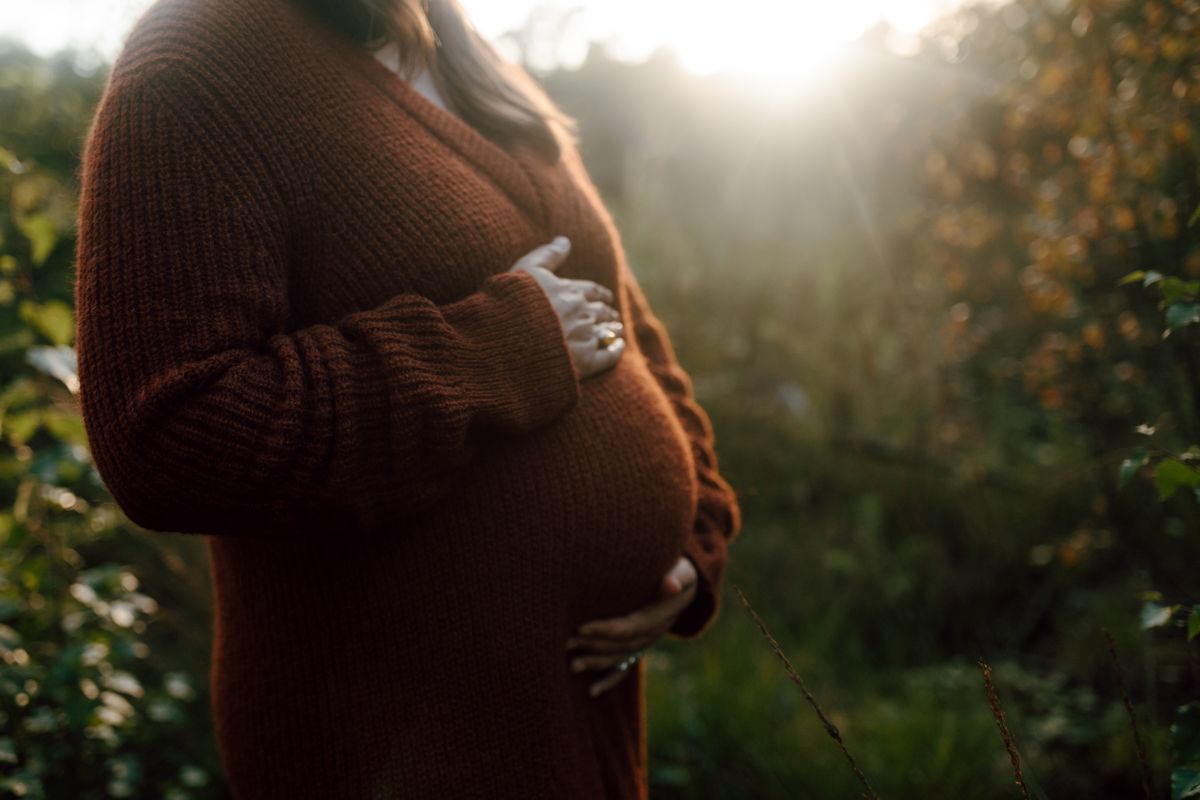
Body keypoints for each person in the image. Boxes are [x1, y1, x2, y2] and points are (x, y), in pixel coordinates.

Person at [73, 0, 742, 796]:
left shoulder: (467, 48)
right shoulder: (197, 60)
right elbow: (168, 433)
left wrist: (697, 533)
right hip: (402, 729)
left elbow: (616, 317)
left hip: (581, 703)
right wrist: (490, 351)